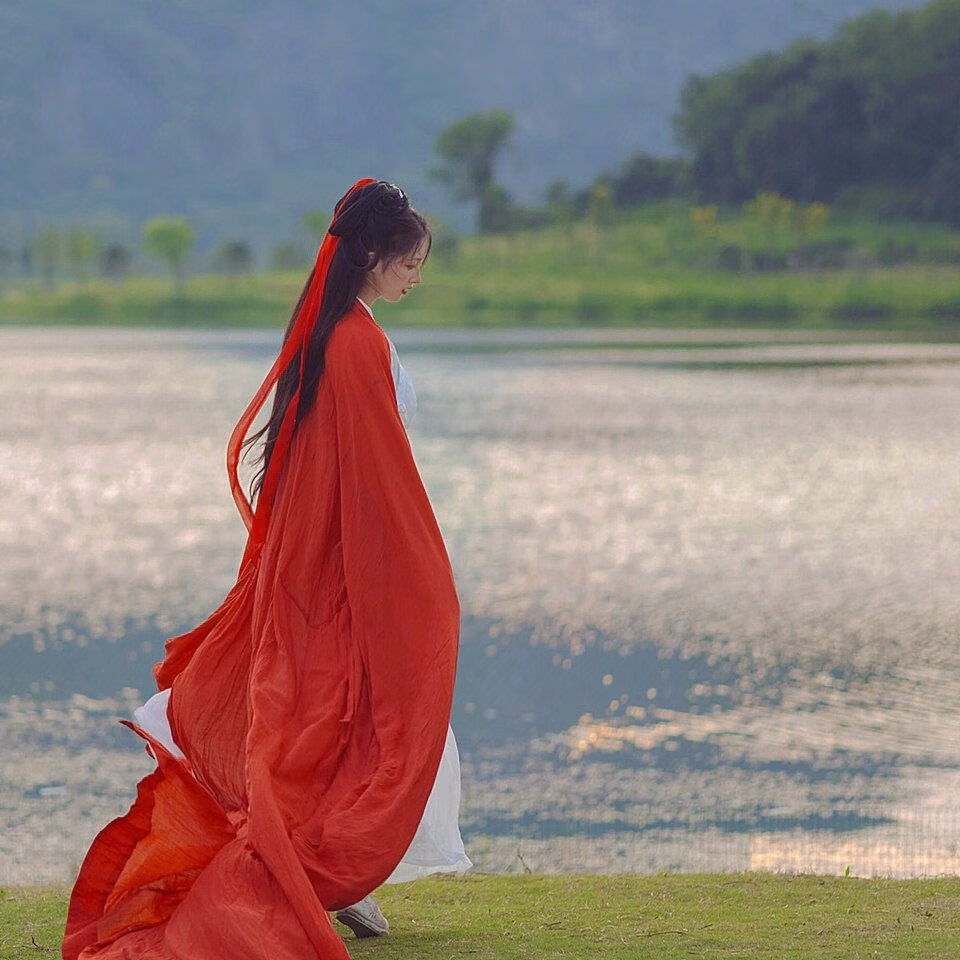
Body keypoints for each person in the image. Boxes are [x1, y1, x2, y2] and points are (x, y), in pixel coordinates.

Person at [62, 178, 471, 960]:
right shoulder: (356, 341)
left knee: (345, 718)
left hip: (336, 562)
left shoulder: (341, 332)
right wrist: (414, 577)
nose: (418, 276)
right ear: (376, 257)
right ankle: (322, 869)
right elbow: (374, 480)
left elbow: (356, 469)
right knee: (350, 717)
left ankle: (339, 876)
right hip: (349, 570)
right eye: (413, 261)